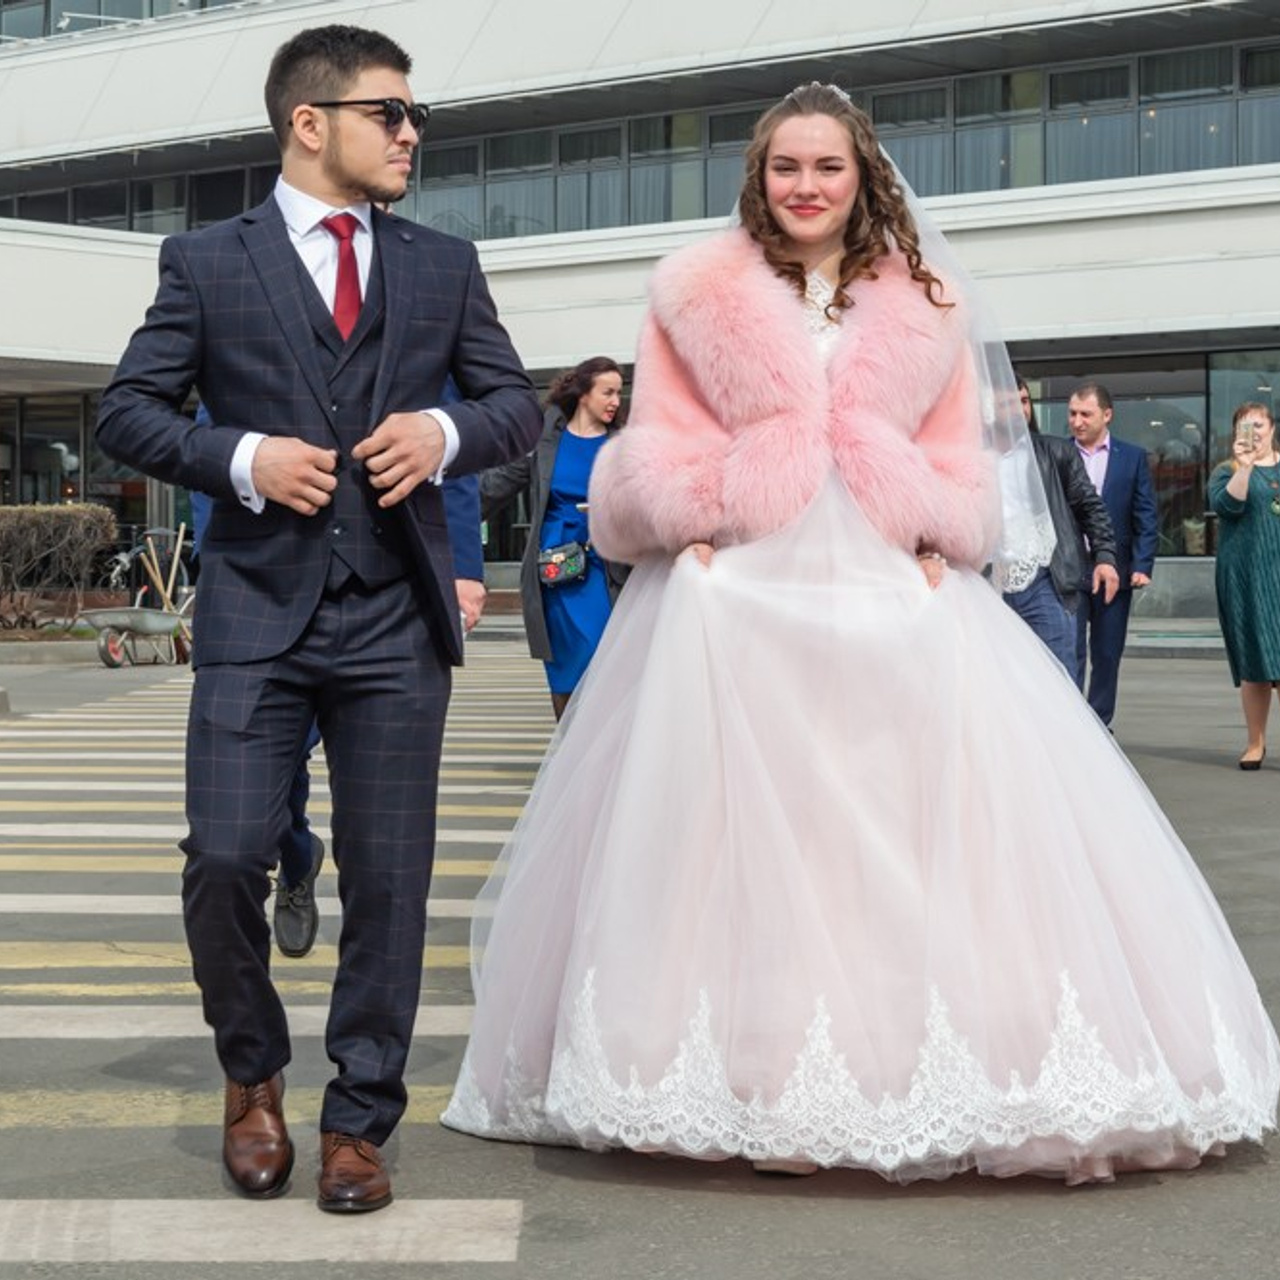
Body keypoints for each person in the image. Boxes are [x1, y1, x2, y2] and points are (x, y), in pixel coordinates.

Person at [441, 83, 1279, 1184]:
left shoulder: (921, 299)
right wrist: (691, 519)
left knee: (901, 814)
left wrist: (940, 532)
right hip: (743, 567)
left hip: (882, 566)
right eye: (785, 166)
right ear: (758, 172)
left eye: (825, 167)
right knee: (728, 827)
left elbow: (953, 459)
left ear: (860, 173)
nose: (804, 186)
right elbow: (660, 443)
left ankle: (909, 1055)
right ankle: (739, 1062)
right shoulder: (693, 290)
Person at [96, 24, 540, 1213]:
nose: (411, 134)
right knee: (226, 856)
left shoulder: (443, 263)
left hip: (394, 616)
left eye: (412, 116)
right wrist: (238, 455)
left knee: (390, 879)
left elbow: (513, 407)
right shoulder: (206, 261)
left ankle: (358, 1119)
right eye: (391, 113)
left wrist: (444, 433)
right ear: (312, 122)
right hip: (257, 611)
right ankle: (252, 1073)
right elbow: (126, 413)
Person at [188, 395, 489, 960]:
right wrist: (216, 565)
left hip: (389, 598)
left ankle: (371, 1026)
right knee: (254, 800)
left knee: (382, 839)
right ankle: (296, 859)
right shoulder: (244, 311)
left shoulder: (412, 309)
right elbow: (213, 445)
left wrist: (465, 567)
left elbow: (445, 433)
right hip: (263, 594)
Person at [481, 358, 629, 718]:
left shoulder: (624, 445)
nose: (615, 401)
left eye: (619, 393)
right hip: (555, 570)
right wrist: (442, 514)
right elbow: (496, 486)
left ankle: (602, 754)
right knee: (563, 667)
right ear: (583, 394)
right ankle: (568, 755)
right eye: (607, 392)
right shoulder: (543, 439)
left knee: (601, 657)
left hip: (603, 567)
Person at [1003, 376, 1120, 675]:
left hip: (1048, 581)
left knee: (1060, 678)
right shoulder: (969, 458)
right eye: (1008, 403)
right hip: (990, 586)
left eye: (1025, 401)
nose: (1020, 410)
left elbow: (1091, 507)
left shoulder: (1057, 452)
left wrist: (1105, 557)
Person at [1068, 382, 1158, 726]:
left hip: (1115, 573)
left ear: (1107, 415)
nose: (1077, 422)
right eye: (1073, 414)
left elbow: (1145, 515)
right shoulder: (1058, 453)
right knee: (1069, 651)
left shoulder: (1132, 457)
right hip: (1070, 570)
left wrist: (1142, 564)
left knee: (1106, 653)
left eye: (1085, 414)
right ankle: (1070, 721)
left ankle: (1099, 723)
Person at [1209, 402, 1280, 770]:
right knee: (1255, 662)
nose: (1253, 433)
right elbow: (1225, 506)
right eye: (1244, 427)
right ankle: (1255, 742)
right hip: (1245, 575)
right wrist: (1247, 465)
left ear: (1271, 428)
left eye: (1259, 425)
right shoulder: (1227, 470)